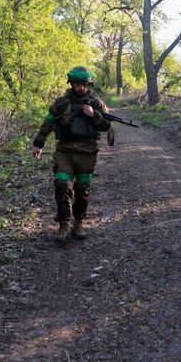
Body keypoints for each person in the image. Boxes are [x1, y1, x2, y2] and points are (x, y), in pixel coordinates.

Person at [32, 66, 111, 242]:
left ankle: (79, 222)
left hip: (87, 152)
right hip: (65, 151)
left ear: (89, 84)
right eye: (77, 84)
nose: (81, 88)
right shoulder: (61, 103)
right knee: (62, 184)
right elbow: (48, 122)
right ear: (71, 83)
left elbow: (106, 125)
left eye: (84, 84)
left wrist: (93, 115)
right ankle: (64, 223)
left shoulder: (96, 103)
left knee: (82, 190)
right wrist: (39, 144)